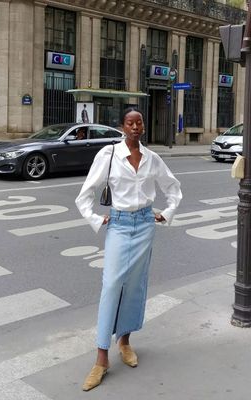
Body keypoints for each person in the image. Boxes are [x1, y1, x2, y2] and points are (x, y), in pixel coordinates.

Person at [75, 107, 182, 391]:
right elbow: (85, 195)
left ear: (143, 127)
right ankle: (101, 357)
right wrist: (98, 219)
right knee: (111, 285)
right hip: (120, 225)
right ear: (122, 126)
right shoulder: (108, 155)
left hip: (145, 224)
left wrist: (166, 213)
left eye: (139, 123)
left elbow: (173, 187)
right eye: (130, 123)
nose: (135, 127)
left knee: (135, 286)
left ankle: (125, 341)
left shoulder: (152, 158)